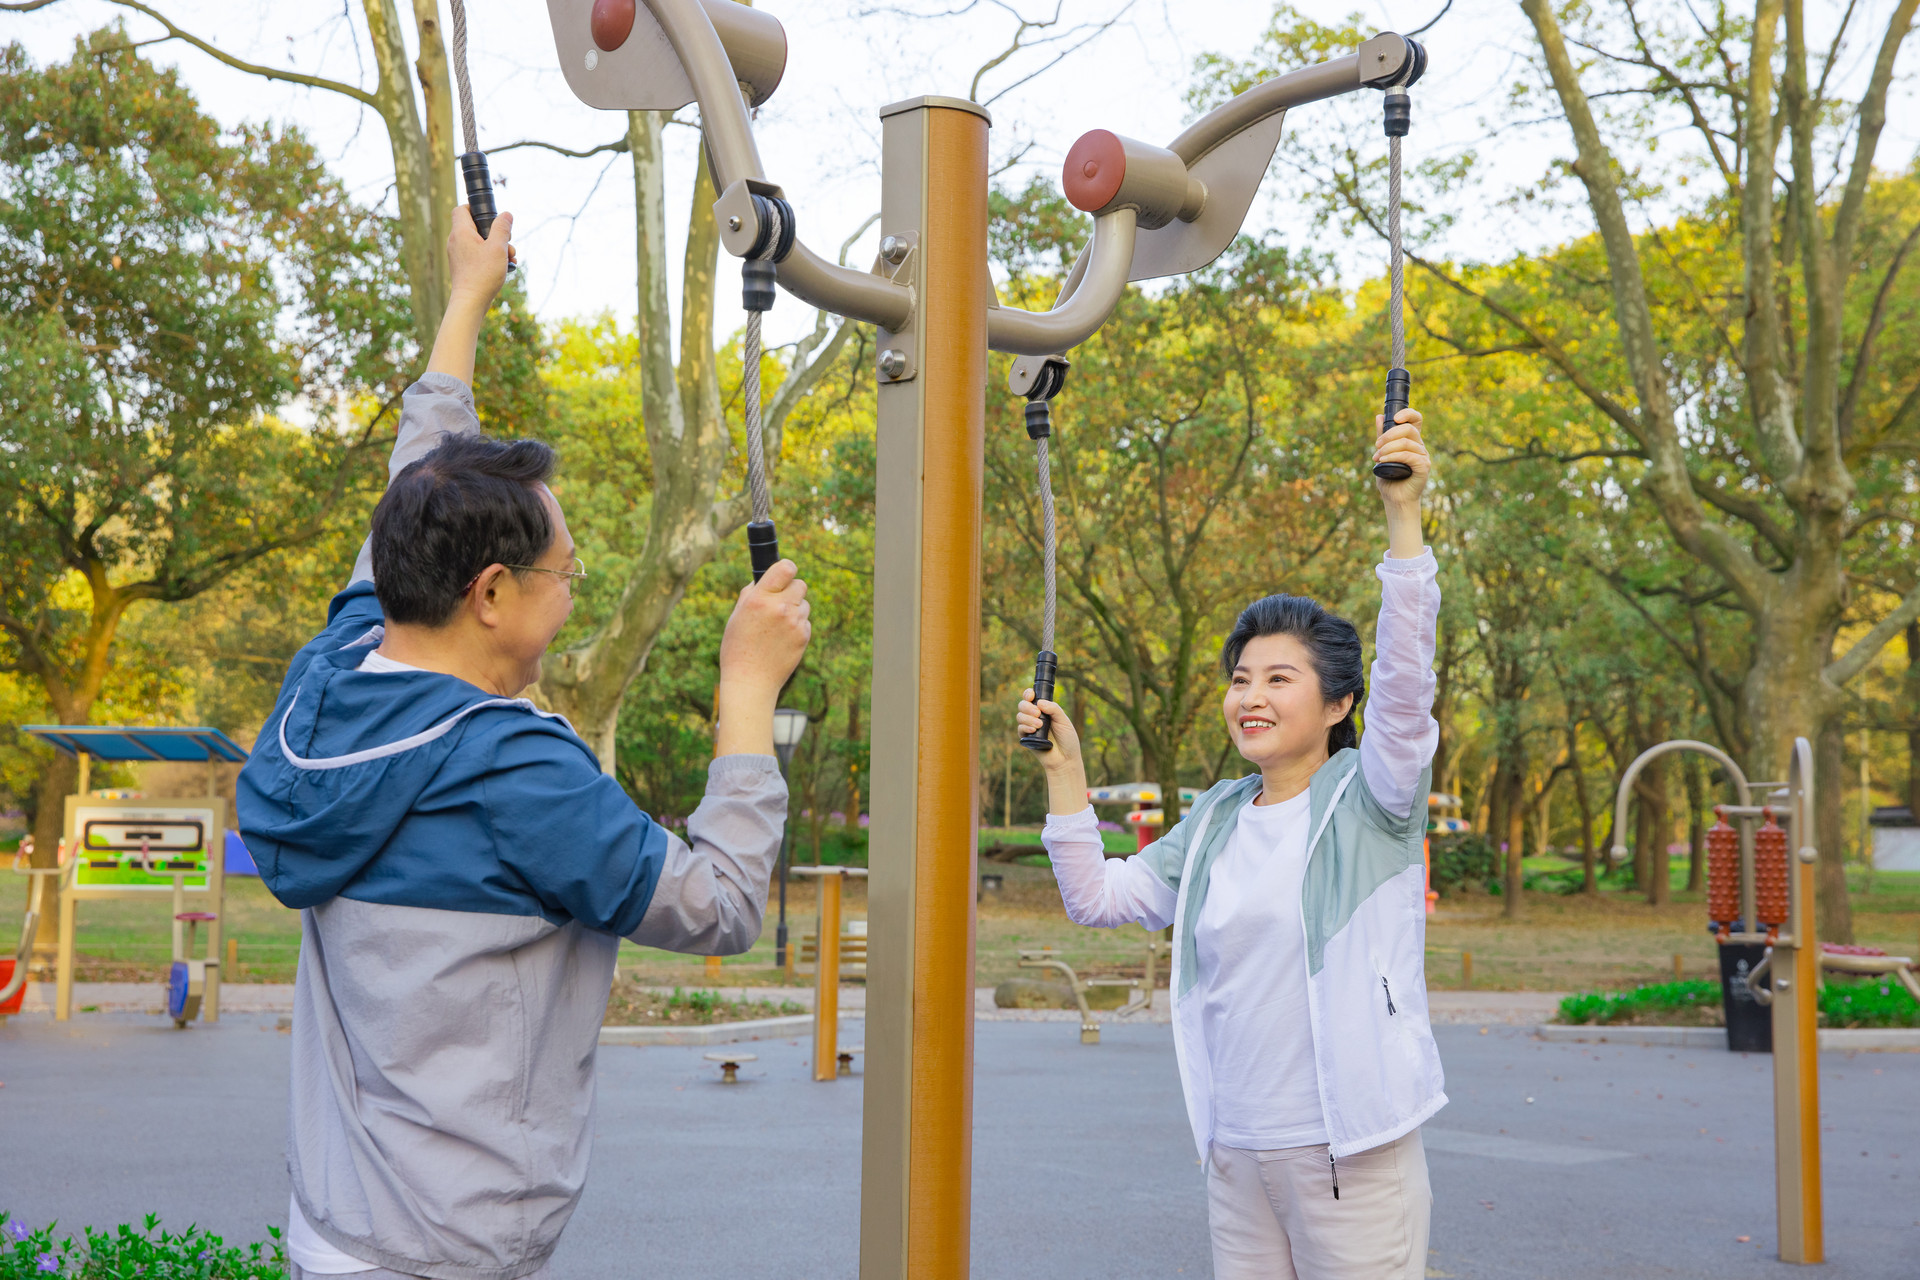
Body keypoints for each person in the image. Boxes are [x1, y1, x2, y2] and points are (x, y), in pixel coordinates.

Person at [236, 206, 811, 1280]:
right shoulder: (515, 769)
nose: (573, 594)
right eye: (565, 576)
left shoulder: (338, 671)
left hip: (334, 1217)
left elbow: (415, 482)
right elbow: (723, 904)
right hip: (446, 1249)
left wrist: (467, 298)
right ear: (491, 592)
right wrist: (747, 687)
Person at [1015, 411, 1442, 1280]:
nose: (1251, 694)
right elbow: (1097, 898)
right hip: (1236, 1152)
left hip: (1347, 1154)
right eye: (1241, 678)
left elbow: (1405, 687)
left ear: (1336, 707)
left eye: (1280, 678)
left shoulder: (1373, 800)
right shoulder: (1213, 821)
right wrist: (1067, 771)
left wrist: (1404, 520)